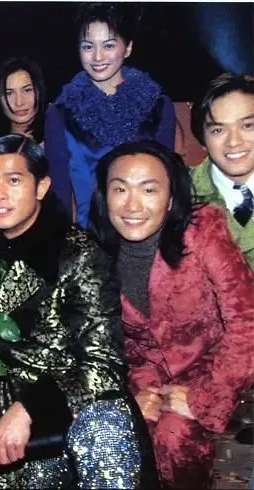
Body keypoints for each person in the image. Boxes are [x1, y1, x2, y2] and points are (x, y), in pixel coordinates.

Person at [0, 134, 155, 489]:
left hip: (68, 417)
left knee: (105, 429)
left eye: (14, 180)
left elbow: (104, 363)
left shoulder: (78, 254)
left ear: (41, 187)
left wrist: (30, 408)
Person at [89, 140, 254, 489]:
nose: (133, 205)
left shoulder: (204, 232)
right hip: (144, 379)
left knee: (174, 435)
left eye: (149, 189)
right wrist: (133, 397)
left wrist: (205, 398)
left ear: (170, 199)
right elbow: (105, 344)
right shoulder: (95, 253)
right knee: (118, 436)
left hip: (213, 372)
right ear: (105, 197)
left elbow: (246, 321)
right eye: (120, 189)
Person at [45, 2, 176, 228]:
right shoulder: (61, 113)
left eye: (108, 45)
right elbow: (60, 196)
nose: (98, 57)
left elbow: (168, 182)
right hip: (92, 236)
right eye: (88, 46)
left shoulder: (158, 106)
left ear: (128, 48)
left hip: (147, 231)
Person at [189, 73, 254, 268]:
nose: (234, 142)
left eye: (248, 126)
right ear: (202, 140)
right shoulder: (178, 194)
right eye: (218, 130)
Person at [0, 56, 47, 142]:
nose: (19, 102)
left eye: (27, 90)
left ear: (39, 91)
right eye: (9, 93)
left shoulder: (59, 134)